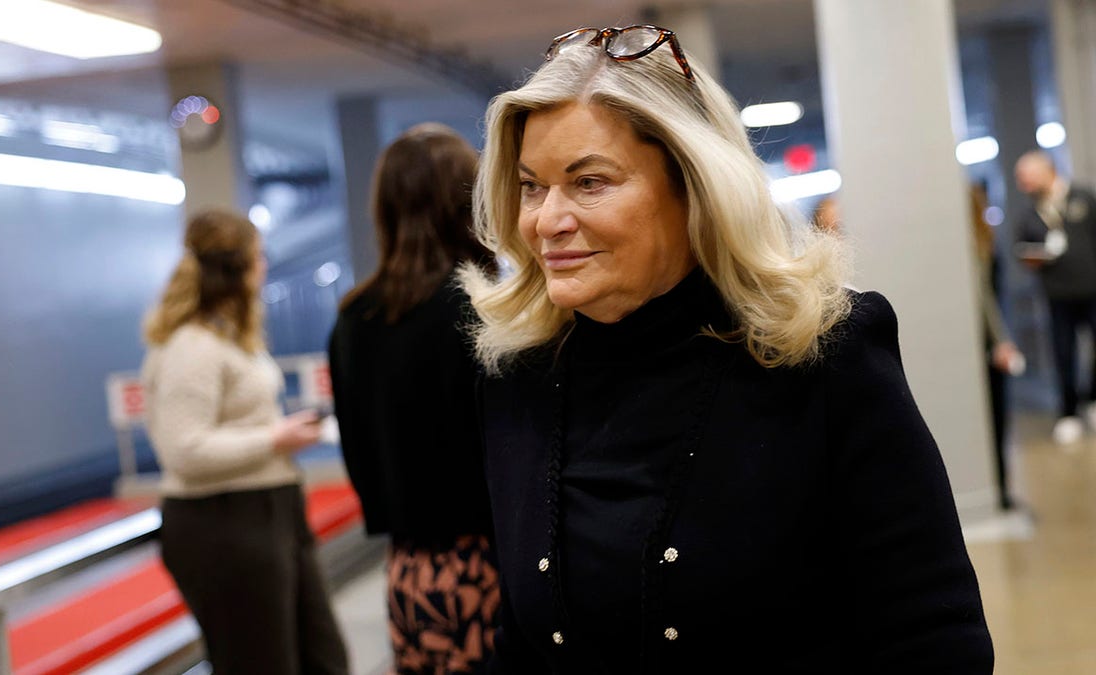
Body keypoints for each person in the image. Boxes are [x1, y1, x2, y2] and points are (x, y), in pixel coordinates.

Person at [459, 24, 993, 673]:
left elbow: (935, 638)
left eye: (589, 181)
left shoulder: (822, 354)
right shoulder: (517, 378)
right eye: (532, 186)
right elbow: (523, 644)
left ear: (693, 185)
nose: (548, 219)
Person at [141, 209, 349, 675]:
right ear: (233, 270)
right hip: (224, 524)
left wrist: (276, 434)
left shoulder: (230, 339)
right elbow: (183, 450)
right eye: (258, 256)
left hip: (268, 513)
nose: (264, 266)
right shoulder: (191, 347)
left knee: (324, 660)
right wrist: (276, 438)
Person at [328, 123, 500, 674]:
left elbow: (358, 453)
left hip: (408, 570)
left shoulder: (354, 320)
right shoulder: (484, 312)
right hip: (493, 565)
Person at [1013, 150, 1096, 445]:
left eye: (1026, 176)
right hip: (1058, 295)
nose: (1023, 184)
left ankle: (1092, 400)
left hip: (1092, 291)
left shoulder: (1083, 198)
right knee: (1064, 353)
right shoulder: (1030, 214)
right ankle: (1069, 413)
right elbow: (1020, 249)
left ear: (1045, 171)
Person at [971, 182, 1023, 508]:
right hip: (984, 343)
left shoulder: (983, 243)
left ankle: (1000, 486)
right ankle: (998, 487)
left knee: (998, 416)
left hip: (989, 343)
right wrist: (1001, 340)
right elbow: (985, 300)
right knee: (992, 417)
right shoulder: (973, 247)